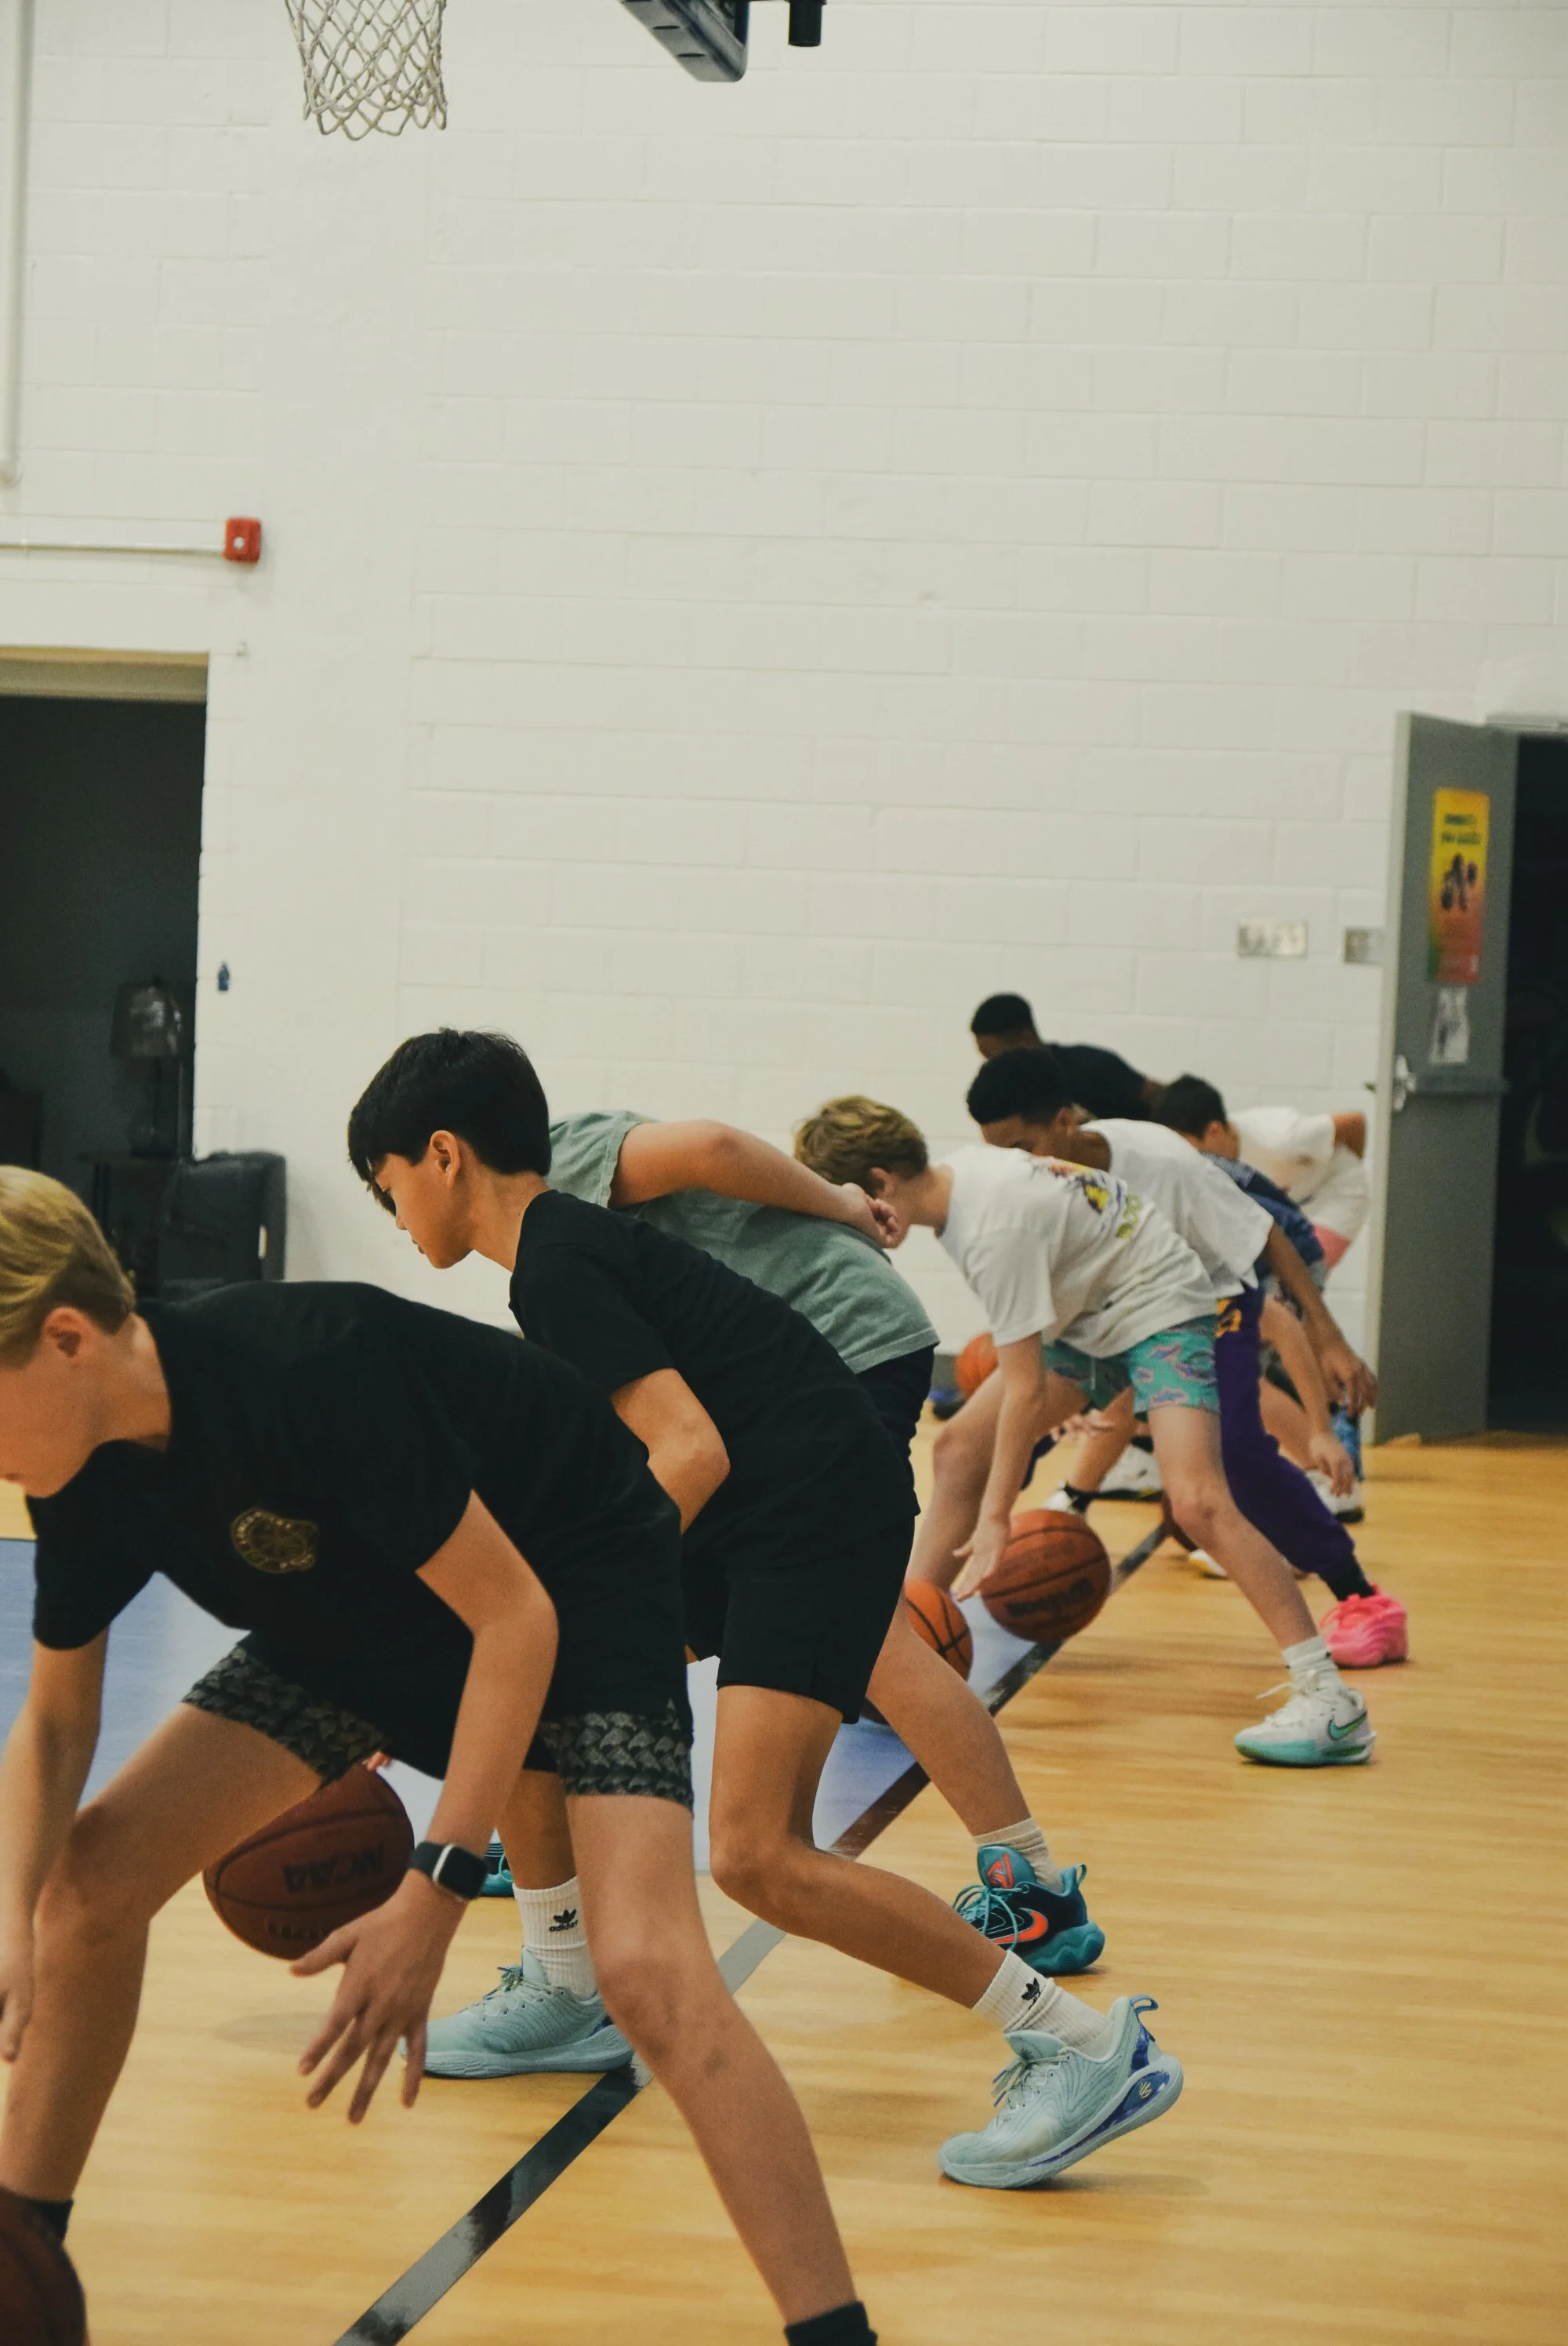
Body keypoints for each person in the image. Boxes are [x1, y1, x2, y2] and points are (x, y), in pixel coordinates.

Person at [0, 1172, 878, 2345]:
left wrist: (438, 1888)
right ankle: (19, 2266)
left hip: (571, 1577)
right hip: (364, 1612)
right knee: (86, 1885)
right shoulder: (81, 1471)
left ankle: (836, 2335)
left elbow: (514, 1621)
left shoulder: (305, 1368)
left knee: (650, 1970)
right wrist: (10, 1908)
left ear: (65, 1338)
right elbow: (59, 1721)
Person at [347, 1031, 1183, 2192]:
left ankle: (1085, 2046)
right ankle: (563, 1987)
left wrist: (566, 1593)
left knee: (755, 1855)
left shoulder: (554, 1262)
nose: (392, 1217)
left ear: (441, 1156)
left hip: (806, 1506)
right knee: (536, 1684)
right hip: (781, 1495)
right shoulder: (565, 1250)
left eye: (384, 1188)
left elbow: (687, 1451)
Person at [538, 1102, 1104, 1983]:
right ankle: (555, 1845)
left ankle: (1029, 1881)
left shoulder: (558, 1154)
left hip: (832, 1344)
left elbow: (714, 1144)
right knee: (654, 1609)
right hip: (801, 1357)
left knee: (869, 1636)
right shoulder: (545, 1245)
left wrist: (842, 1204)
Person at [792, 1092, 1377, 1768]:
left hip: (1165, 1308)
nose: (848, 1225)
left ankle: (1328, 1699)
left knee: (1198, 1500)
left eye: (845, 1206)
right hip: (1097, 1316)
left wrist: (996, 1519)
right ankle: (899, 1652)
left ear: (879, 1186)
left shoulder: (991, 1229)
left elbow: (1025, 1387)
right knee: (958, 1447)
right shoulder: (963, 1181)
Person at [964, 1049, 1408, 1671]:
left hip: (1213, 1294)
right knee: (967, 1443)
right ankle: (928, 1607)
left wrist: (1327, 1350)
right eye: (998, 1154)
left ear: (1066, 1121)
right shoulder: (1030, 1187)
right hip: (1119, 1314)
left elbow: (1268, 1251)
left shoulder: (1162, 1162)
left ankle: (1361, 1597)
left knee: (1233, 1460)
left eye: (1023, 1146)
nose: (1014, 1166)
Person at [1158, 1076, 1370, 1494]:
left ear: (1215, 1131)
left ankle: (1327, 1452)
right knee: (1266, 1348)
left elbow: (1357, 1125)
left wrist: (1309, 1192)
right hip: (1273, 1220)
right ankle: (1325, 1431)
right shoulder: (1199, 1166)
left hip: (1328, 1204)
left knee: (1264, 1348)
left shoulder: (1280, 1138)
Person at [968, 994, 1160, 1120]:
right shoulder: (1012, 1093)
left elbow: (1166, 1100)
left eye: (996, 1056)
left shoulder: (1091, 1066)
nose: (992, 1065)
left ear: (1026, 1038)